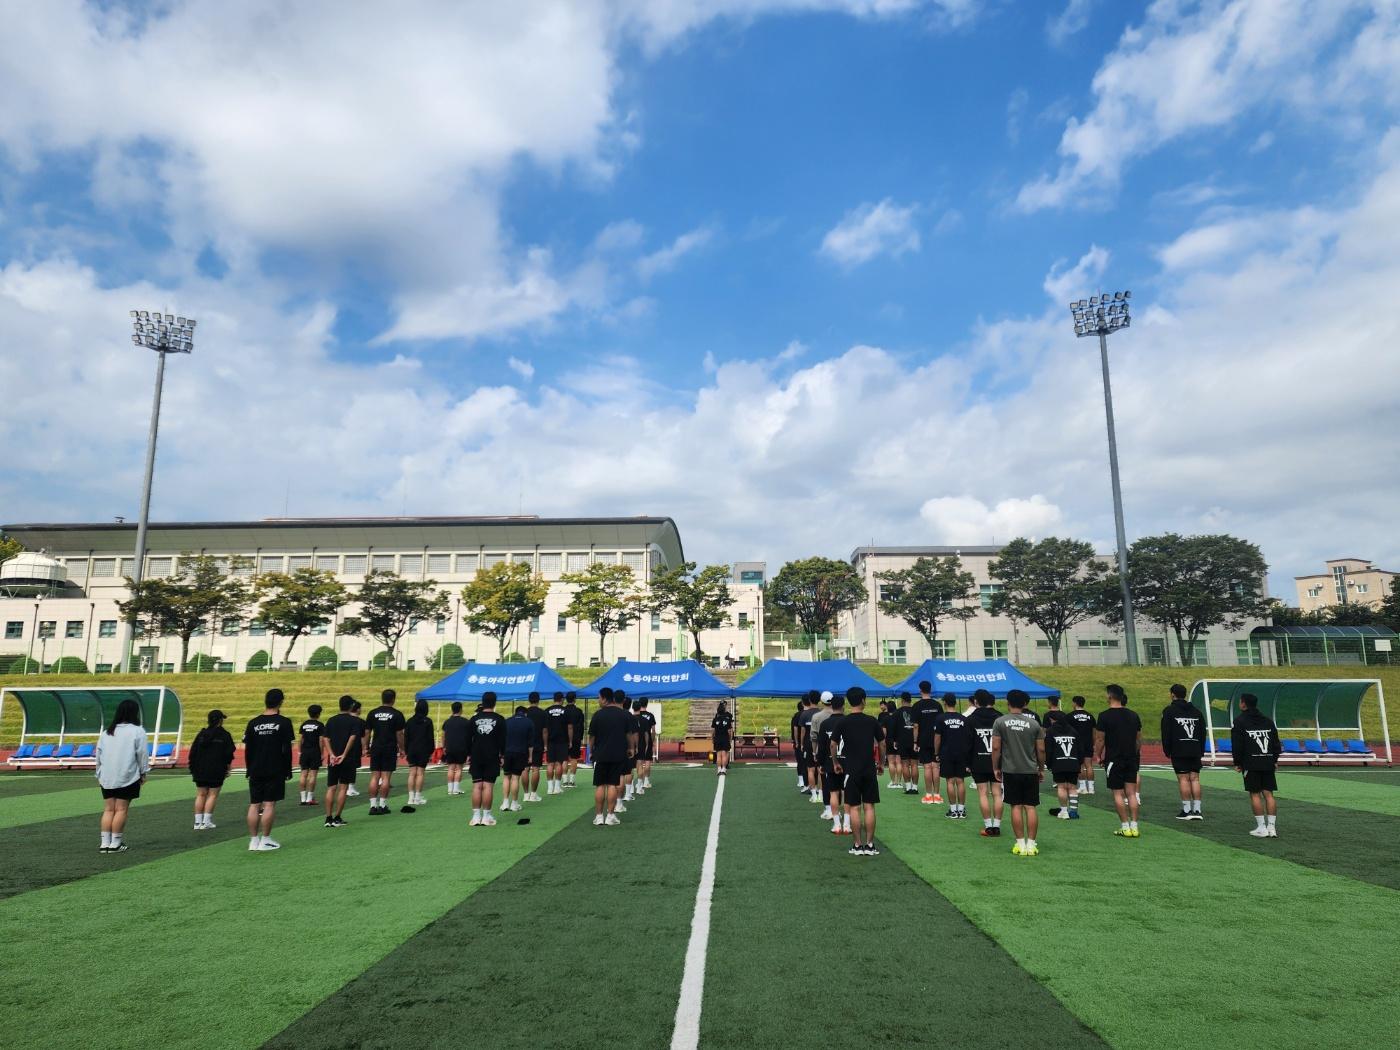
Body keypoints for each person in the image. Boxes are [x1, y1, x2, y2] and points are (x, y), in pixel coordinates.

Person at [992, 689, 1046, 856]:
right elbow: (1041, 749)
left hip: (1010, 770)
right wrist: (1041, 768)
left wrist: (995, 766)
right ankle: (1031, 845)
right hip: (1030, 770)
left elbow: (995, 747)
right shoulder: (1034, 724)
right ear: (1025, 704)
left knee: (1015, 806)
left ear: (1008, 703)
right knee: (1030, 807)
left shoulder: (1000, 722)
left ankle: (1020, 844)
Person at [831, 686, 883, 856]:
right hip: (869, 769)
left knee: (854, 807)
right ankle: (869, 845)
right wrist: (881, 762)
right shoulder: (872, 720)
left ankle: (857, 844)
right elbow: (882, 743)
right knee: (869, 807)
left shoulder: (843, 722)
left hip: (850, 770)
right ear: (863, 701)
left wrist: (835, 762)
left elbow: (833, 744)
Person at [243, 688, 295, 851]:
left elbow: (248, 749)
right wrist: (288, 769)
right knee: (269, 804)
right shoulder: (284, 722)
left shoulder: (253, 723)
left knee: (254, 804)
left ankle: (253, 840)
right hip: (275, 767)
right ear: (281, 702)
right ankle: (265, 839)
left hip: (256, 768)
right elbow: (286, 749)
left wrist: (249, 768)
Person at [95, 697, 149, 853]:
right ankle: (116, 843)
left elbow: (98, 755)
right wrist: (143, 772)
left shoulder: (107, 732)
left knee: (108, 809)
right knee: (121, 810)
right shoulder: (138, 731)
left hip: (107, 776)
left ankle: (104, 843)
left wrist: (99, 773)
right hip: (127, 775)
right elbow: (142, 754)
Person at [1096, 684, 1142, 838]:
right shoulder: (1134, 715)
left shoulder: (1104, 716)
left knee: (1117, 793)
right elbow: (1138, 740)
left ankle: (1125, 826)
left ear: (1109, 696)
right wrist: (1134, 755)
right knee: (1131, 793)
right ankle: (1135, 826)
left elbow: (1100, 739)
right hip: (1131, 759)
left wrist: (1098, 755)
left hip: (1114, 759)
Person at [1232, 692, 1281, 837]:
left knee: (1255, 794)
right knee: (1269, 794)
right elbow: (1276, 743)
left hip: (1251, 763)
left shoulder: (1239, 721)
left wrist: (1238, 762)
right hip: (1267, 762)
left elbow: (1238, 745)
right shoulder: (1268, 721)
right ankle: (1272, 828)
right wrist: (1274, 760)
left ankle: (1261, 827)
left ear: (1243, 704)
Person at [1161, 684, 1205, 820]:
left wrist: (1167, 749)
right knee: (1195, 778)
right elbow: (1203, 732)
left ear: (1172, 694)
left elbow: (1166, 732)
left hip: (1179, 749)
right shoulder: (1197, 712)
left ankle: (1186, 810)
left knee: (1183, 779)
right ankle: (1197, 810)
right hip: (1195, 749)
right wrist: (1200, 749)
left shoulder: (1169, 711)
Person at [589, 687, 632, 825]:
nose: (598, 700)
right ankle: (610, 816)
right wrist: (631, 748)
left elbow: (592, 737)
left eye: (599, 698)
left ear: (604, 698)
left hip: (601, 755)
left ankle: (599, 816)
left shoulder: (597, 715)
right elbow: (629, 735)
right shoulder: (623, 715)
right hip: (617, 754)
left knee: (600, 785)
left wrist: (592, 751)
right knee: (613, 784)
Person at [188, 709, 235, 831]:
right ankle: (206, 821)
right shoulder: (225, 735)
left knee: (201, 794)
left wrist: (192, 767)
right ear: (220, 721)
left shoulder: (201, 734)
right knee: (213, 794)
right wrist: (228, 766)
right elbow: (229, 753)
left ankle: (197, 823)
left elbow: (193, 752)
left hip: (200, 768)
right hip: (216, 768)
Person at [467, 693, 507, 826]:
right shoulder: (500, 719)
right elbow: (503, 741)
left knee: (477, 786)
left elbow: (468, 739)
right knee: (488, 786)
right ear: (495, 703)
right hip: (492, 755)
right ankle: (486, 816)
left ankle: (475, 817)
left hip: (476, 755)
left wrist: (469, 755)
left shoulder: (473, 719)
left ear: (482, 702)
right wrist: (502, 756)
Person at [967, 689, 1003, 837]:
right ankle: (997, 826)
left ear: (976, 702)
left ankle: (989, 827)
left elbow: (967, 744)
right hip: (998, 761)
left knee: (982, 793)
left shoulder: (970, 719)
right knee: (997, 793)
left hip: (978, 760)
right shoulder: (1000, 717)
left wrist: (968, 762)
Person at [322, 695, 362, 827]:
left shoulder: (331, 720)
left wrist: (332, 754)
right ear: (351, 706)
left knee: (331, 787)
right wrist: (344, 754)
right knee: (343, 787)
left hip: (333, 758)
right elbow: (352, 738)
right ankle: (337, 816)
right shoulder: (354, 721)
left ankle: (328, 818)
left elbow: (325, 738)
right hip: (347, 758)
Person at [365, 689, 406, 815]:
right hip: (389, 747)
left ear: (382, 698)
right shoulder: (397, 714)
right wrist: (402, 748)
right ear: (393, 699)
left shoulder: (373, 713)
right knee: (386, 777)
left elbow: (367, 732)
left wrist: (366, 747)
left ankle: (372, 806)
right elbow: (399, 734)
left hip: (376, 747)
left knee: (375, 776)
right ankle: (383, 805)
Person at [933, 693, 970, 820]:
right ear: (955, 702)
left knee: (950, 781)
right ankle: (961, 809)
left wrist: (936, 753)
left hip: (946, 752)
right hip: (961, 753)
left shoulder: (940, 718)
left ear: (945, 703)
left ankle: (953, 810)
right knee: (960, 781)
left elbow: (937, 738)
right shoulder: (963, 719)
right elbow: (967, 738)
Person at [817, 695, 850, 835]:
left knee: (833, 793)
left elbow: (822, 746)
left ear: (830, 706)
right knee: (848, 793)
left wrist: (820, 763)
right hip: (848, 761)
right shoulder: (848, 722)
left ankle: (837, 825)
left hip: (830, 762)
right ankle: (847, 825)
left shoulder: (825, 724)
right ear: (843, 706)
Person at [1045, 715, 1084, 820]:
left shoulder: (1050, 731)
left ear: (1054, 720)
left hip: (1058, 763)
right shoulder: (1074, 731)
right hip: (1073, 762)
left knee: (1061, 787)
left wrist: (1048, 763)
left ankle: (1064, 811)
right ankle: (1074, 812)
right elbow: (1080, 749)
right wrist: (1079, 763)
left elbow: (1048, 749)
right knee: (1072, 787)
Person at [913, 681, 943, 805]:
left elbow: (915, 726)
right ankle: (936, 795)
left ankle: (928, 795)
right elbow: (942, 724)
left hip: (923, 740)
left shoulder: (917, 705)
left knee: (927, 767)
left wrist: (915, 741)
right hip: (937, 739)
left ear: (920, 690)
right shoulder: (937, 705)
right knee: (935, 767)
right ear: (930, 690)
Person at [402, 699, 434, 812]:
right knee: (420, 773)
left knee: (412, 773)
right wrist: (431, 750)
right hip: (423, 750)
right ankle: (418, 797)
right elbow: (430, 738)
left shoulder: (409, 721)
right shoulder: (428, 721)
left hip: (411, 749)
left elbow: (406, 737)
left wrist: (406, 750)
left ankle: (411, 798)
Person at [503, 703, 533, 813]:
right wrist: (530, 756)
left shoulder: (507, 721)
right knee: (515, 778)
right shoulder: (528, 722)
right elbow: (530, 742)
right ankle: (514, 803)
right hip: (520, 752)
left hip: (507, 752)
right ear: (525, 713)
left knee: (506, 777)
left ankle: (505, 802)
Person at [808, 692, 835, 809]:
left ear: (821, 701)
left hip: (822, 748)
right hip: (839, 749)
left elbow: (813, 737)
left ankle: (826, 804)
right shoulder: (839, 715)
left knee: (822, 773)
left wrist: (814, 752)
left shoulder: (817, 717)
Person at [1067, 695, 1096, 796]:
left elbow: (1068, 731)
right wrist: (1093, 743)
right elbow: (1094, 732)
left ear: (1075, 703)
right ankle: (1091, 788)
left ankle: (1083, 787)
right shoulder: (1090, 716)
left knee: (1080, 765)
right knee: (1089, 765)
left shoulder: (1070, 716)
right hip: (1088, 743)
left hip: (1076, 744)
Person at [297, 704, 325, 807]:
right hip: (314, 751)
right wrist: (322, 753)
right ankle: (310, 798)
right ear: (318, 714)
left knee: (303, 774)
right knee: (313, 775)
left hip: (305, 752)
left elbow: (301, 739)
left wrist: (300, 751)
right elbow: (321, 740)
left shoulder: (304, 724)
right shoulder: (320, 725)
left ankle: (303, 799)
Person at [545, 692, 572, 795]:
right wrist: (570, 741)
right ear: (562, 699)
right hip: (562, 740)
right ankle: (557, 787)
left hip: (551, 741)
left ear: (553, 699)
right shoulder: (566, 711)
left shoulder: (547, 711)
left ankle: (549, 788)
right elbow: (569, 727)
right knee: (558, 763)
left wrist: (545, 743)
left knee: (550, 764)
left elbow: (545, 729)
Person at [441, 701, 470, 797]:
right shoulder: (465, 721)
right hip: (461, 747)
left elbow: (443, 735)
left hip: (449, 747)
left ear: (452, 710)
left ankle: (450, 789)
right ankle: (456, 788)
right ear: (461, 709)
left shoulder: (447, 722)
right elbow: (468, 737)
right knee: (459, 768)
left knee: (451, 768)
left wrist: (443, 746)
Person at [523, 692, 548, 802]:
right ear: (538, 700)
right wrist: (546, 744)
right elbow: (545, 731)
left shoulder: (525, 713)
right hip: (537, 743)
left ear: (529, 700)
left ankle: (525, 794)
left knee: (525, 768)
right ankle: (533, 794)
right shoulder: (542, 713)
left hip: (525, 744)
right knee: (536, 768)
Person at [798, 692, 821, 801]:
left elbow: (802, 731)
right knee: (820, 769)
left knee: (810, 769)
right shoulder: (822, 713)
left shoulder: (804, 714)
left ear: (810, 700)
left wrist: (801, 744)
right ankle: (820, 793)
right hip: (821, 744)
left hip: (808, 743)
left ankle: (813, 794)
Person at [893, 692, 917, 794]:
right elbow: (917, 726)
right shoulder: (915, 711)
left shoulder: (897, 712)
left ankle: (908, 787)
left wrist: (895, 740)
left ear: (902, 700)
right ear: (910, 700)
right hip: (914, 741)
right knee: (915, 764)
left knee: (905, 765)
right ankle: (915, 787)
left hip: (902, 741)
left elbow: (894, 728)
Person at [632, 699, 653, 794]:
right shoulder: (644, 720)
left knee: (629, 768)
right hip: (641, 745)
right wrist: (647, 744)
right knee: (640, 765)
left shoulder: (628, 718)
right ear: (640, 708)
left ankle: (631, 787)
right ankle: (639, 787)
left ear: (632, 708)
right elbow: (646, 734)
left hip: (630, 746)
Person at [565, 692, 585, 787]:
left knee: (564, 759)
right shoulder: (579, 711)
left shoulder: (563, 711)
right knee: (574, 759)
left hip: (564, 738)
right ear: (575, 699)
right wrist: (580, 738)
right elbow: (581, 726)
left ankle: (564, 781)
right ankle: (572, 781)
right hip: (576, 738)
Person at [346, 699, 366, 796]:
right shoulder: (361, 722)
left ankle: (345, 787)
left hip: (342, 746)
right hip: (355, 747)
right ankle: (350, 788)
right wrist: (364, 748)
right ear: (357, 709)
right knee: (352, 767)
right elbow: (363, 737)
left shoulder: (344, 719)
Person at [711, 701, 733, 776]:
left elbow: (713, 731)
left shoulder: (715, 719)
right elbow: (729, 731)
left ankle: (718, 769)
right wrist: (730, 739)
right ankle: (724, 768)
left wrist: (712, 739)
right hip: (725, 738)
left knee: (718, 755)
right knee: (724, 754)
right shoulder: (727, 720)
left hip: (717, 738)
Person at [792, 698, 809, 792]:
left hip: (799, 742)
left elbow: (795, 729)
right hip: (805, 742)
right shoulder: (806, 715)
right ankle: (806, 782)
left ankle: (801, 781)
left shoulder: (796, 716)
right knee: (807, 764)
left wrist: (796, 742)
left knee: (800, 762)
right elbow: (796, 729)